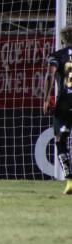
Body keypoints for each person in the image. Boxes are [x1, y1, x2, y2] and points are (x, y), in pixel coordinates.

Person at [43, 24, 72, 194]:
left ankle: (70, 181)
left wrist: (46, 98)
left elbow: (50, 74)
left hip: (65, 103)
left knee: (61, 140)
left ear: (62, 40)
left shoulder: (57, 56)